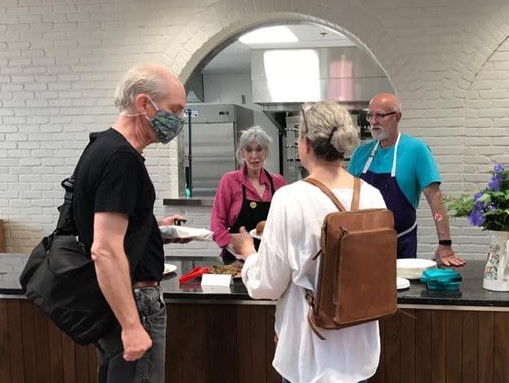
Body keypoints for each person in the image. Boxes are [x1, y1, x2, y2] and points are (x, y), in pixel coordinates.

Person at [229, 101, 385, 383]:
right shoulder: (372, 196)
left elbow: (269, 284)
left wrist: (250, 254)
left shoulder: (291, 198)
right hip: (359, 349)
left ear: (305, 144)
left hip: (311, 353)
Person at [73, 63, 189, 383]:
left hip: (120, 298)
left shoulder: (103, 147)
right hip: (135, 302)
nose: (178, 120)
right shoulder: (121, 159)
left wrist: (152, 229)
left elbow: (109, 226)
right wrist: (132, 326)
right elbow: (105, 249)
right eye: (175, 110)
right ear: (143, 104)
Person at [347, 93, 464, 267]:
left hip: (402, 246)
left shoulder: (416, 150)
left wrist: (445, 244)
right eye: (370, 115)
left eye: (380, 115)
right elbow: (346, 198)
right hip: (362, 246)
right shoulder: (360, 154)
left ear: (397, 117)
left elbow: (435, 198)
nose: (372, 121)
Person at [210, 126, 286, 264]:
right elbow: (217, 223)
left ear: (266, 152)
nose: (254, 156)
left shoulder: (278, 182)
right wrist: (230, 245)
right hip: (237, 259)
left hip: (271, 259)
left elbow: (287, 222)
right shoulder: (230, 181)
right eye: (249, 150)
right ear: (242, 153)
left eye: (259, 149)